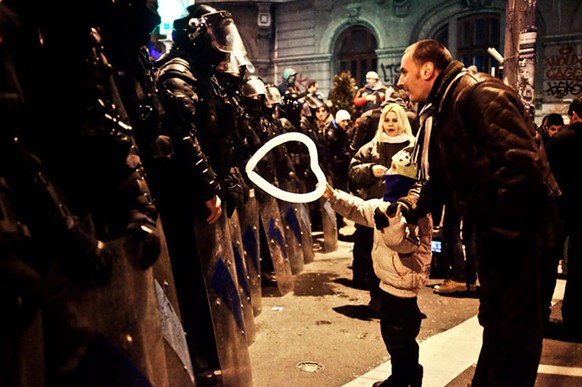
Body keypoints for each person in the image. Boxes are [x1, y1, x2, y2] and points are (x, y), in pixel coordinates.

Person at [393, 39, 560, 386]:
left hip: (522, 230)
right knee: (495, 319)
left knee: (517, 328)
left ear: (428, 70)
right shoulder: (441, 108)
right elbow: (437, 178)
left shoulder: (480, 93)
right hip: (497, 229)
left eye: (405, 72)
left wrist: (501, 232)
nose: (400, 81)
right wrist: (407, 206)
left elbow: (521, 166)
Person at [323, 146, 431, 387]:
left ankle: (406, 379)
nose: (387, 173)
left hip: (403, 285)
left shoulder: (413, 212)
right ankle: (404, 375)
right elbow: (359, 209)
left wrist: (391, 222)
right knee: (394, 337)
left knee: (399, 336)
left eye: (393, 169)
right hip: (390, 283)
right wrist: (333, 195)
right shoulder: (386, 204)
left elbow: (403, 243)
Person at [348, 103, 415, 310]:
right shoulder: (371, 146)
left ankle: (406, 301)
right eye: (387, 120)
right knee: (377, 257)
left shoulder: (413, 146)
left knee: (406, 257)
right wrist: (369, 170)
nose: (391, 124)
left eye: (395, 120)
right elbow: (353, 171)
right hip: (377, 211)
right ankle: (376, 297)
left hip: (405, 211)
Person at [545, 96, 582, 340]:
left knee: (548, 263)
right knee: (578, 267)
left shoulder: (560, 140)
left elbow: (545, 174)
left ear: (573, 115)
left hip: (559, 209)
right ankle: (575, 319)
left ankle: (542, 313)